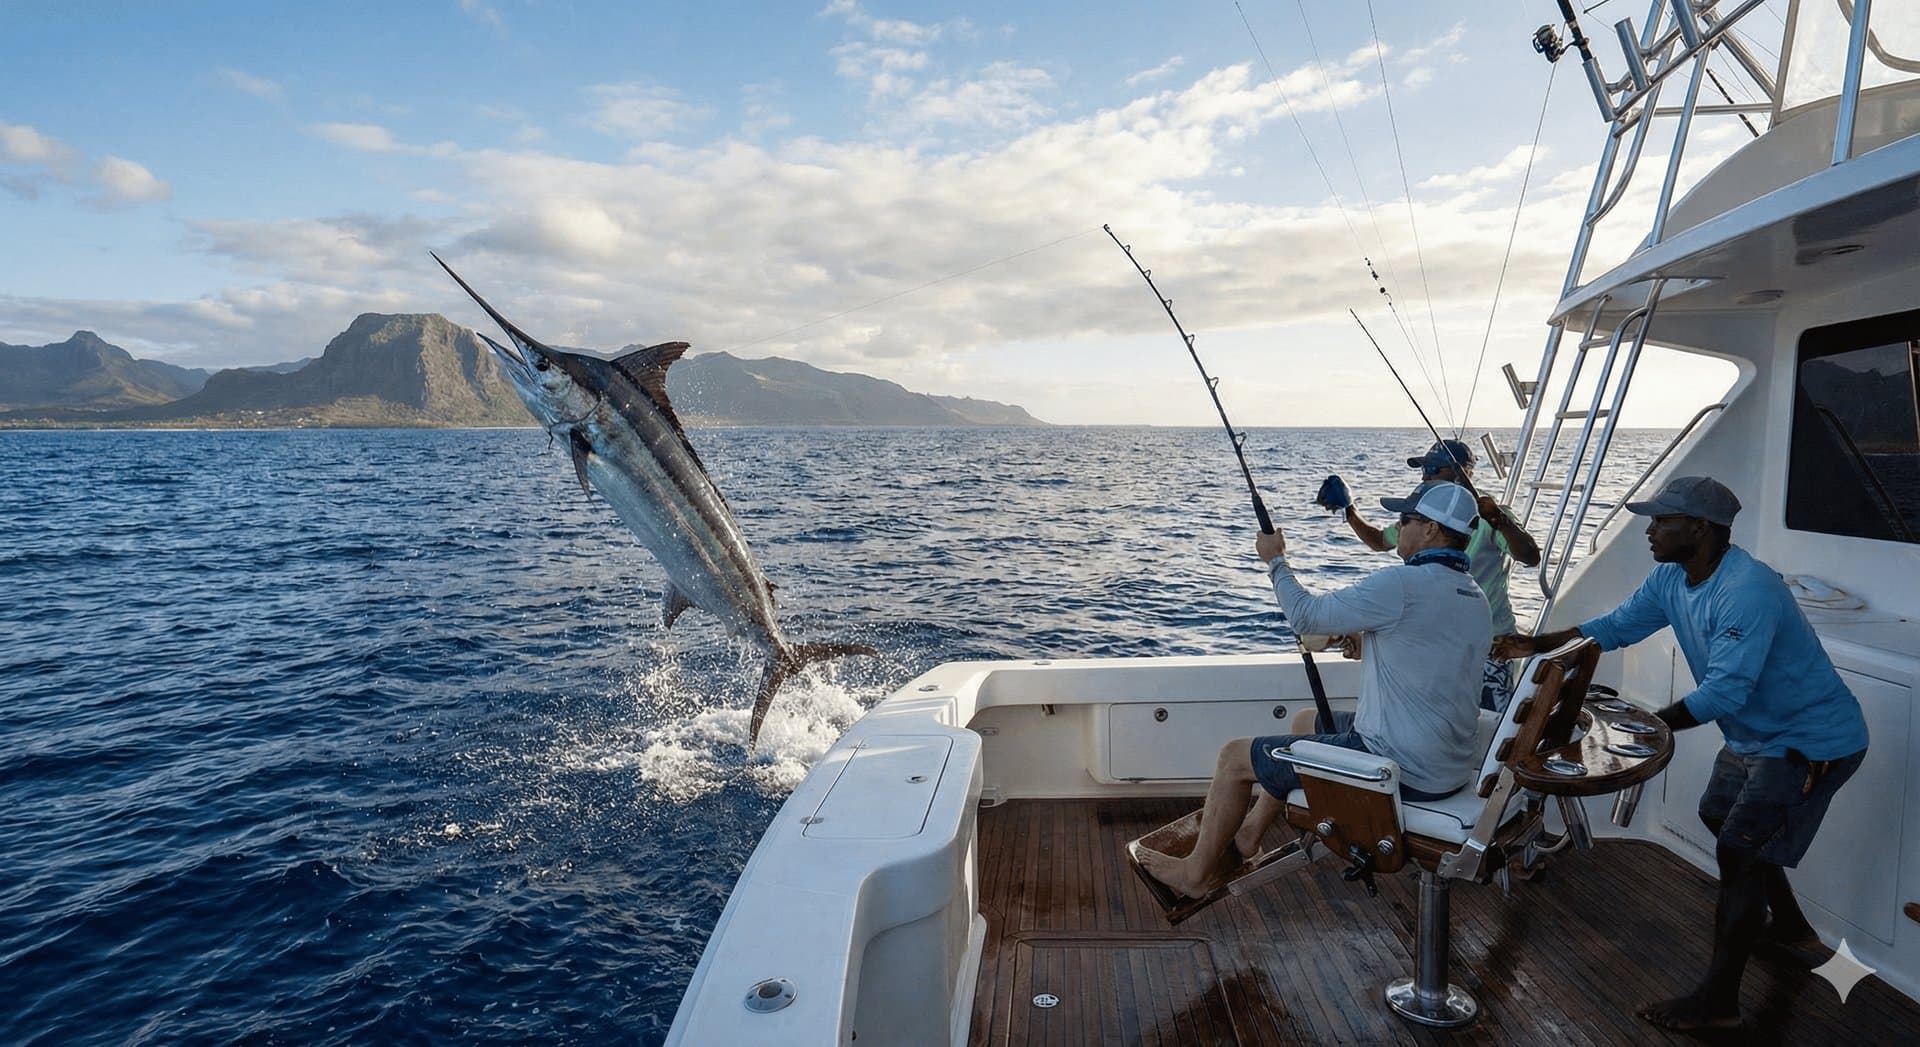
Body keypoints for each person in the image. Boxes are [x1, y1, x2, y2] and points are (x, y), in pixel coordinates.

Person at [1492, 475, 1869, 1033]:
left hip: (1809, 743)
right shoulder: (1672, 576)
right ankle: (1787, 928)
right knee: (1719, 817)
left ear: (1699, 528)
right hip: (1754, 736)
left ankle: (1719, 1001)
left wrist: (1643, 729)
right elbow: (1617, 627)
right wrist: (1541, 644)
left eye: (1660, 521)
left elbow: (1723, 693)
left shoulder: (1747, 590)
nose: (1649, 530)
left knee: (1740, 851)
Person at [1137, 481, 1491, 900]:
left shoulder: (1402, 584)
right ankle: (1248, 835)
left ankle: (1193, 875)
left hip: (1397, 767)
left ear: (1431, 529)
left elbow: (1304, 616)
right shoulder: (1474, 597)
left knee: (1234, 757)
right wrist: (1368, 640)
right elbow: (1429, 654)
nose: (1398, 528)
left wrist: (1275, 561)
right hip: (1446, 767)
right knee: (1307, 721)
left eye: (1405, 520)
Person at [1320, 438, 1540, 711]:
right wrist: (1349, 510)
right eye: (1424, 468)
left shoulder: (1491, 517)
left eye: (1434, 468)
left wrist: (1499, 519)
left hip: (1490, 645)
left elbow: (1530, 557)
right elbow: (1379, 541)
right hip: (1442, 640)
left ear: (1462, 473)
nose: (1426, 475)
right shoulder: (1426, 511)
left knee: (1485, 722)